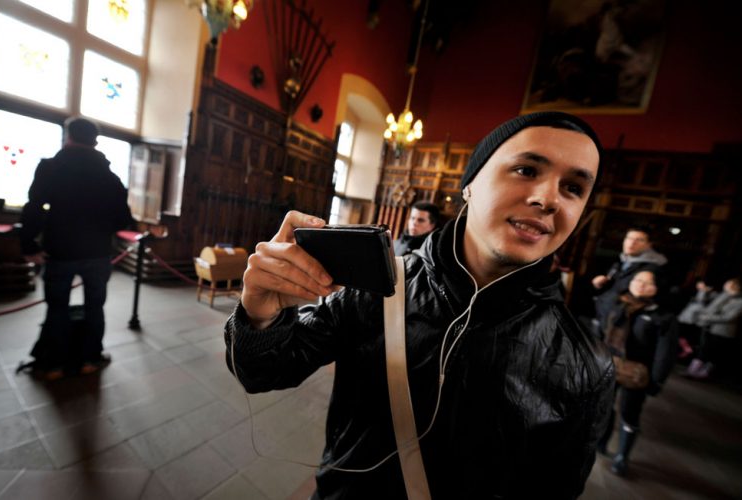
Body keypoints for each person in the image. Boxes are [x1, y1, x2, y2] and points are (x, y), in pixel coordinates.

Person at [225, 111, 615, 499]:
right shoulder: (377, 285)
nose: (547, 199)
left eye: (573, 188)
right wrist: (261, 314)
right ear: (470, 184)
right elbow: (263, 372)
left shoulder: (585, 363)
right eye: (527, 170)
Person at [20, 116, 133, 379]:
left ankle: (54, 365)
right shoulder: (111, 178)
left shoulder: (50, 168)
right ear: (95, 141)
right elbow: (122, 220)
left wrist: (28, 245)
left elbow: (34, 208)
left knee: (57, 307)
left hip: (59, 251)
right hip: (98, 253)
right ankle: (90, 360)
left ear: (68, 136)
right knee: (95, 307)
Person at [595, 270, 678, 476]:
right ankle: (601, 443)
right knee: (604, 408)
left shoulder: (663, 316)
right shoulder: (617, 304)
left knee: (629, 412)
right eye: (637, 280)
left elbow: (665, 354)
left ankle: (623, 456)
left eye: (647, 282)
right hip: (609, 366)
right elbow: (599, 331)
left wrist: (656, 381)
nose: (640, 284)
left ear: (657, 288)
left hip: (638, 374)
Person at [591, 226, 667, 332]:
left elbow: (647, 296)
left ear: (649, 245)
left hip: (619, 325)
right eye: (629, 238)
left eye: (639, 240)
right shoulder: (622, 260)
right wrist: (599, 285)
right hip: (602, 316)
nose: (631, 243)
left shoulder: (652, 269)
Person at [685, 278, 742, 379]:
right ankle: (692, 371)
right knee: (702, 349)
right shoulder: (722, 295)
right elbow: (704, 302)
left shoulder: (739, 301)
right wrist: (703, 291)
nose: (725, 284)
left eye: (728, 283)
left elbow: (728, 318)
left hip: (723, 331)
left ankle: (704, 373)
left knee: (713, 353)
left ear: (734, 286)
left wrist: (707, 317)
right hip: (709, 326)